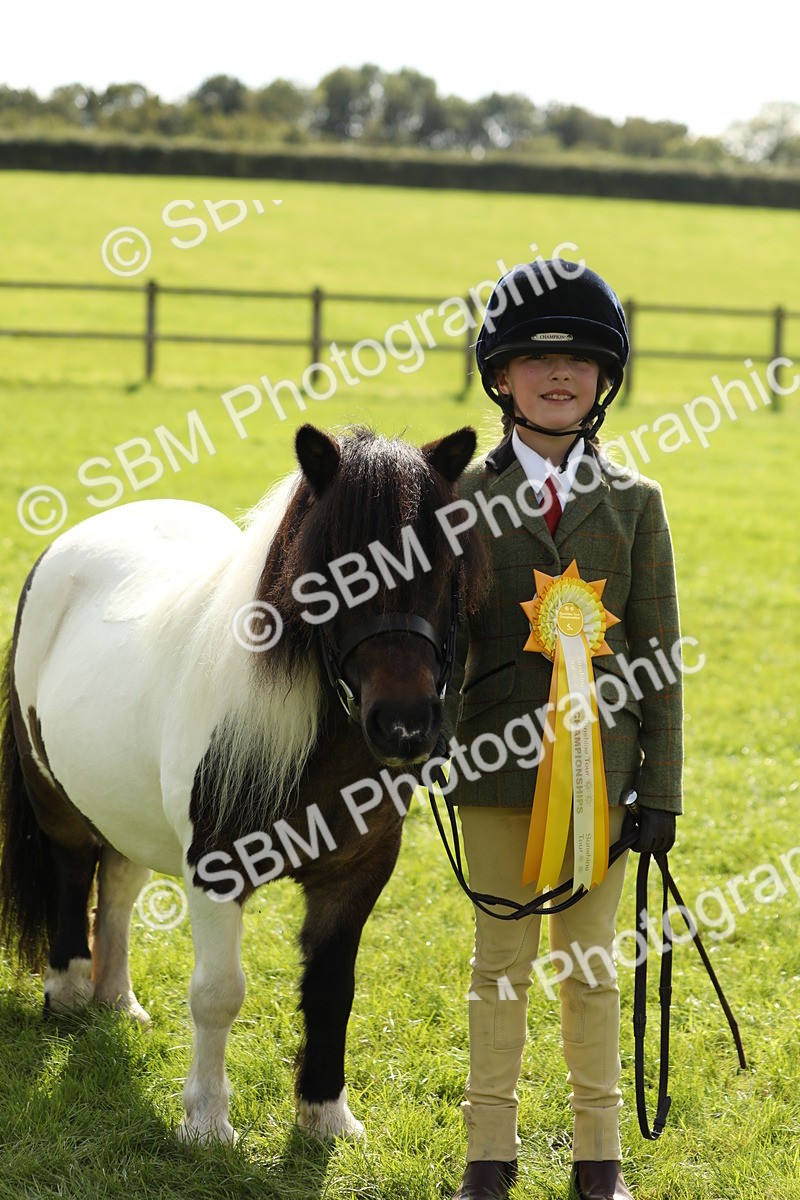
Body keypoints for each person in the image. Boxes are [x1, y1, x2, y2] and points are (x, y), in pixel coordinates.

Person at [446, 260, 683, 1200]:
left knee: (591, 969)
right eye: (537, 359)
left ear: (604, 381)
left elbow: (660, 661)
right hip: (495, 771)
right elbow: (439, 641)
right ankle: (488, 1155)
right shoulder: (460, 499)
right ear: (501, 377)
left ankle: (599, 1159)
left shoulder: (637, 504)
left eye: (580, 360)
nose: (559, 374)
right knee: (498, 966)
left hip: (604, 779)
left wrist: (660, 792)